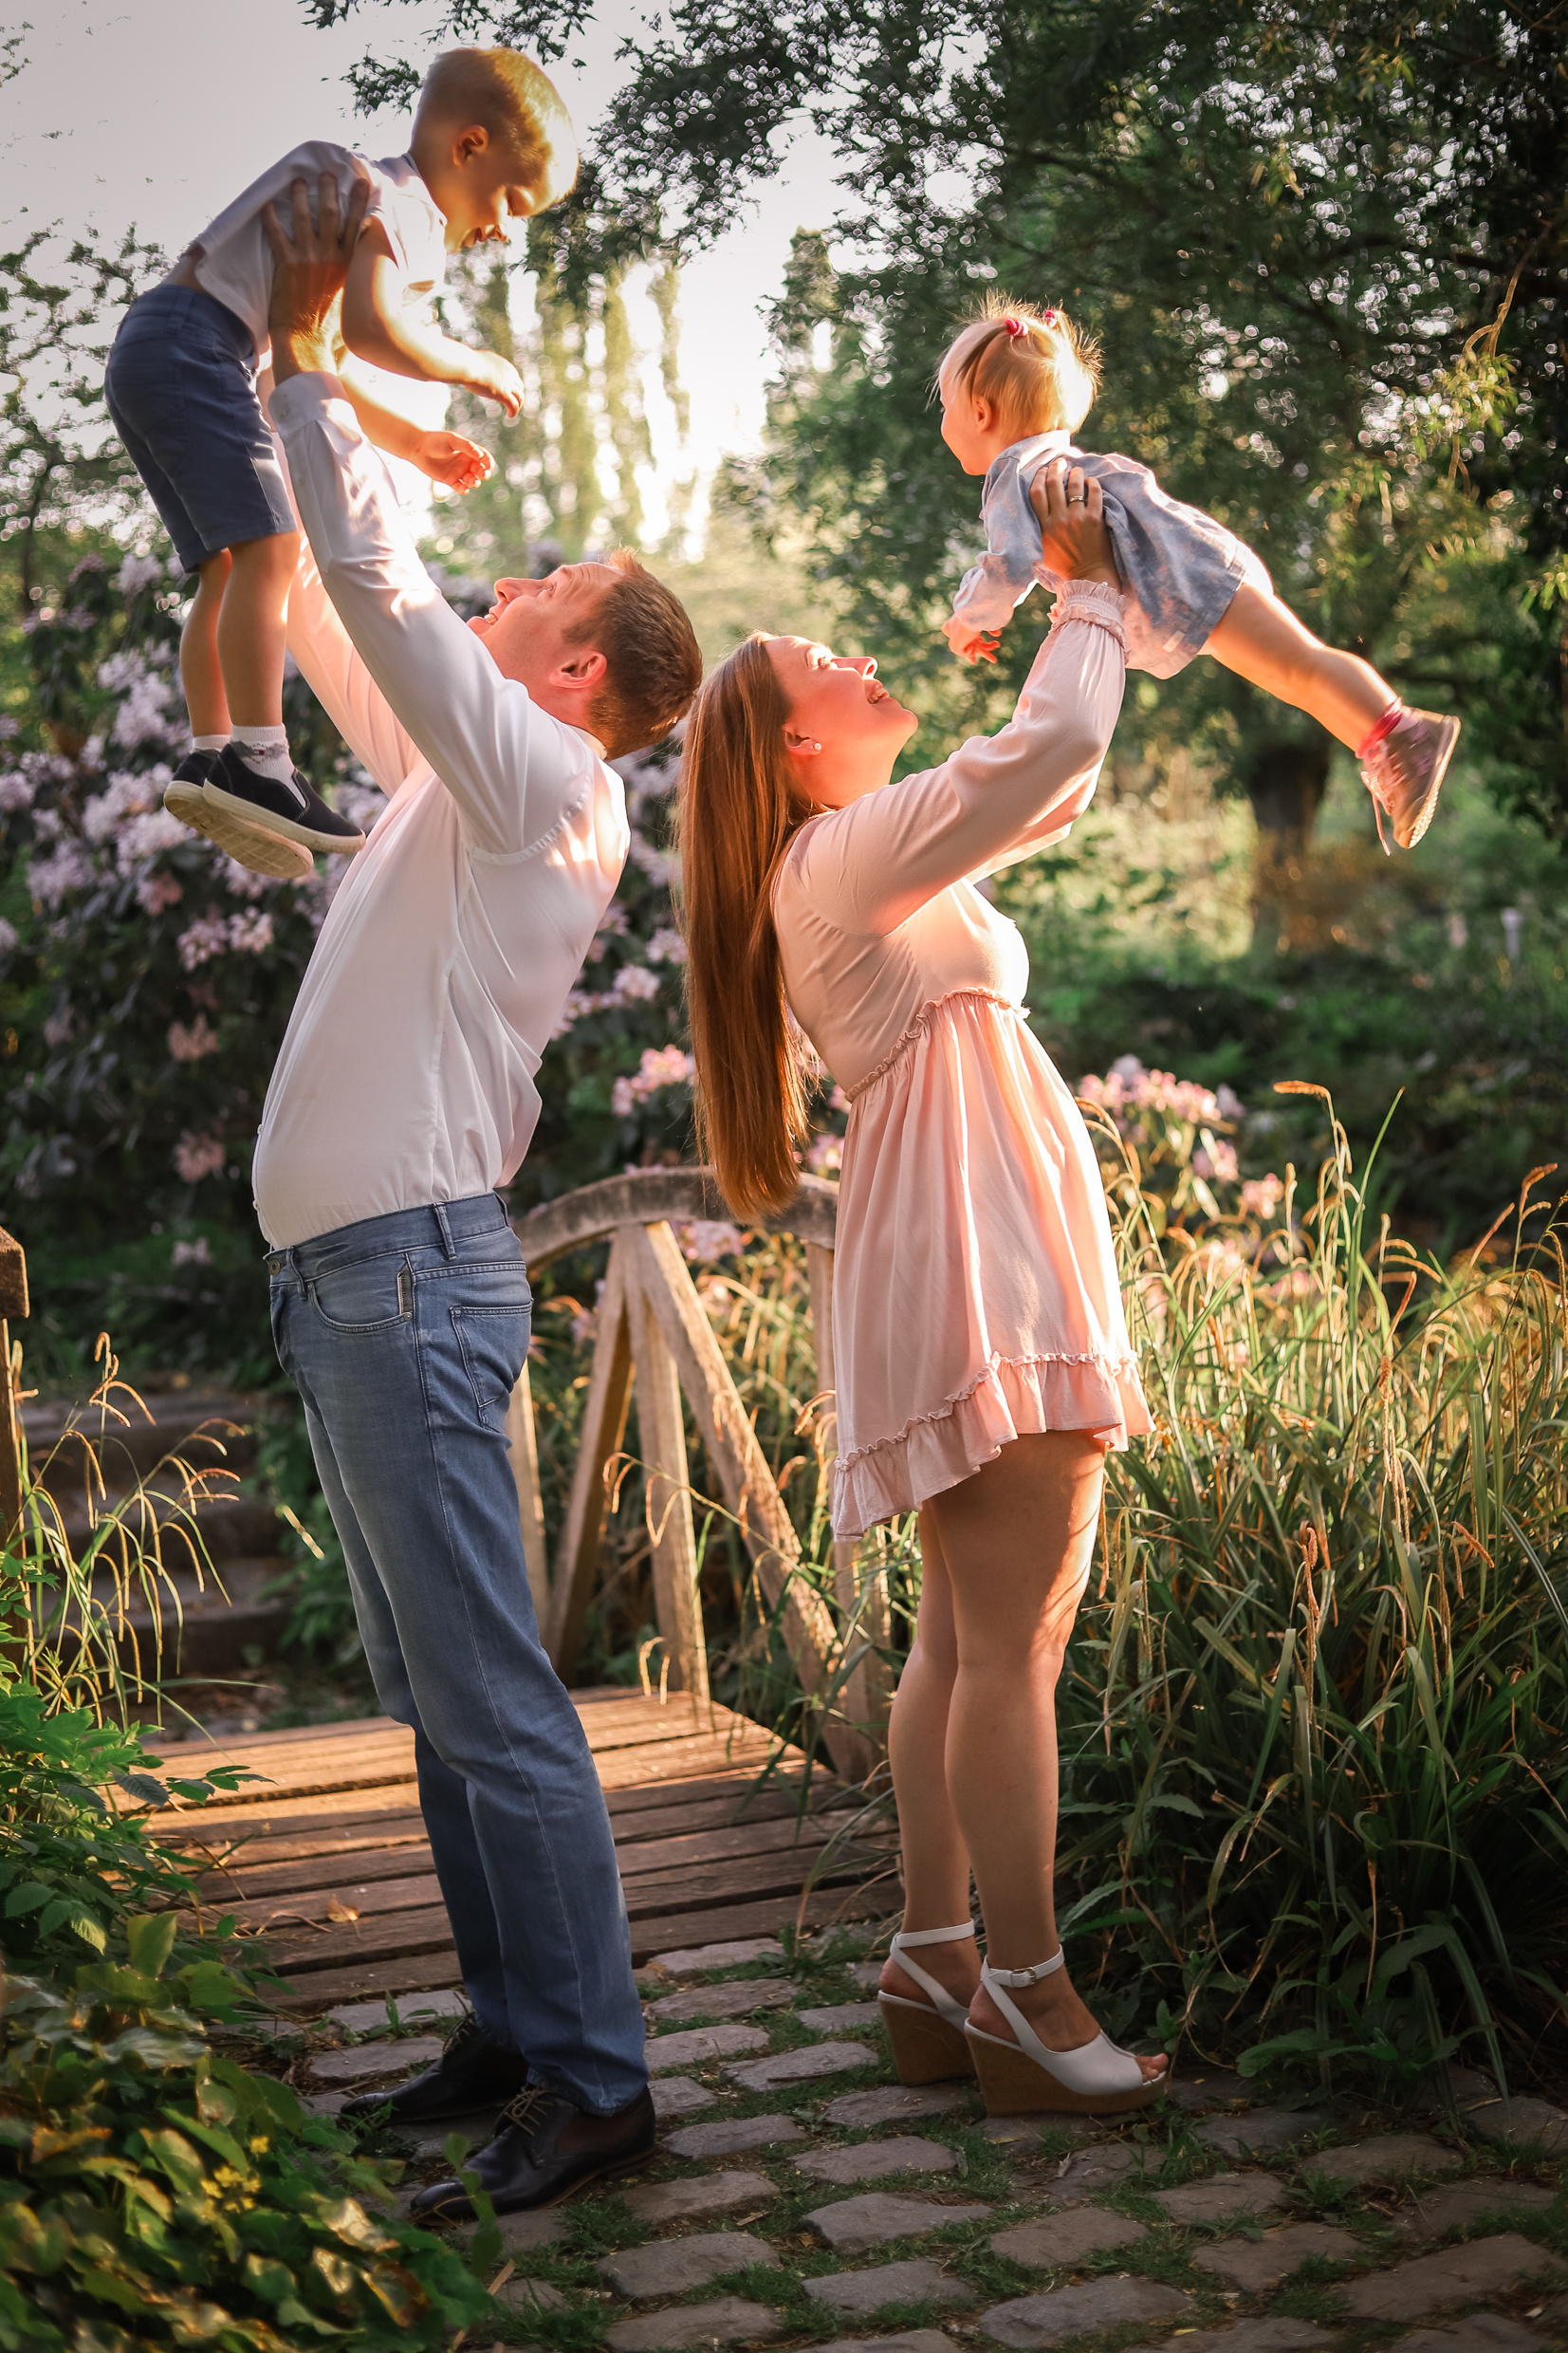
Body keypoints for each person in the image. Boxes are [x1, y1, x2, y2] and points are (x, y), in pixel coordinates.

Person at [249, 173, 703, 2214]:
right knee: (438, 1694)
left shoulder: (554, 785)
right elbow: (352, 588)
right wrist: (297, 389)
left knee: (489, 1694)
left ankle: (596, 2079)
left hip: (405, 1285)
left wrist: (307, 342)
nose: (506, 579)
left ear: (582, 669)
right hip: (357, 1280)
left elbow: (374, 571)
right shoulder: (466, 775)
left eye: (547, 577)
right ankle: (516, 2028)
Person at [677, 460, 1169, 2115]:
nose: (848, 652)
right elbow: (1053, 748)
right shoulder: (834, 858)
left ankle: (929, 1956)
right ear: (794, 751)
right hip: (975, 1244)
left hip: (953, 1229)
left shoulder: (863, 862)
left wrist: (1048, 594)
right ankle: (1026, 1998)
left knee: (962, 1645)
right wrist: (1091, 583)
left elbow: (1045, 788)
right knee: (1012, 1645)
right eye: (814, 658)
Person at [103, 46, 577, 878]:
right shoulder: (396, 204)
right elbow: (366, 329)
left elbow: (311, 359)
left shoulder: (348, 181)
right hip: (197, 349)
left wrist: (412, 442)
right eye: (511, 199)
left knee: (225, 567)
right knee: (274, 552)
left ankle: (210, 755)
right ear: (467, 146)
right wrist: (474, 363)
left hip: (155, 344)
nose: (504, 227)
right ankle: (261, 763)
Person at [939, 294, 1459, 854]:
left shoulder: (1013, 475)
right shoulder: (1053, 460)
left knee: (1300, 667)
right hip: (1196, 578)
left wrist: (970, 618)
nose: (944, 422)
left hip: (1192, 586)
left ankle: (1405, 733)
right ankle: (1384, 745)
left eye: (945, 407)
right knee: (1294, 677)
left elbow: (1006, 563)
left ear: (981, 413)